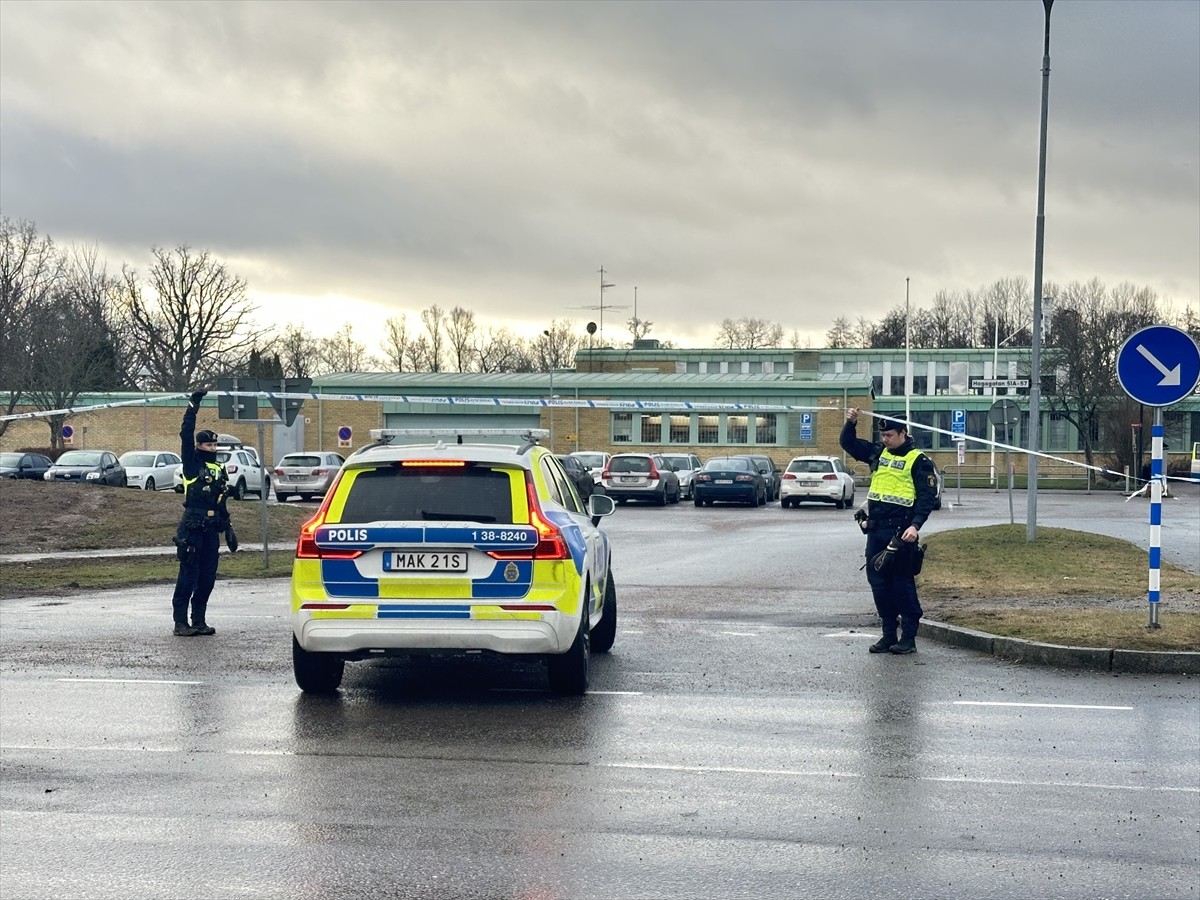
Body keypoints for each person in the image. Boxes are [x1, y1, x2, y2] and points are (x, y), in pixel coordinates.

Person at [840, 409, 938, 654]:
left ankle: (908, 638)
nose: (885, 439)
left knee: (901, 584)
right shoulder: (878, 453)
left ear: (904, 433)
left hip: (901, 533)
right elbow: (848, 443)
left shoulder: (919, 460)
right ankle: (888, 635)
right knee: (879, 584)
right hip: (876, 531)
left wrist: (915, 525)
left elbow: (927, 497)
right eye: (883, 435)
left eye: (890, 435)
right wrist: (851, 422)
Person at [170, 389, 238, 636]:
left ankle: (198, 620)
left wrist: (228, 527)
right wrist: (193, 406)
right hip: (192, 526)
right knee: (189, 575)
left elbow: (220, 501)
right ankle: (180, 623)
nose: (213, 447)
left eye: (215, 444)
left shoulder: (218, 468)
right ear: (199, 446)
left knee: (208, 577)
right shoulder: (192, 464)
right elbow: (185, 434)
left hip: (211, 528)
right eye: (208, 444)